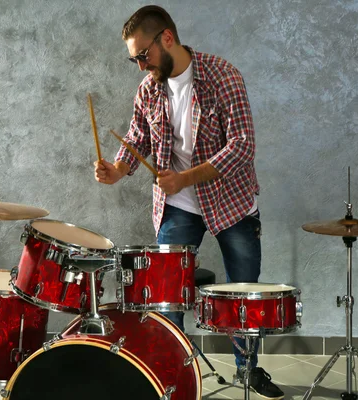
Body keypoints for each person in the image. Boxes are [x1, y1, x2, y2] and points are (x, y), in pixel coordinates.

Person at [94, 5, 284, 400]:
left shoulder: (223, 76)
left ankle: (247, 371)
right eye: (134, 59)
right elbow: (138, 138)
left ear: (167, 38)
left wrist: (187, 176)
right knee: (166, 296)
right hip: (177, 204)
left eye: (142, 55)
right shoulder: (149, 88)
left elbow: (242, 147)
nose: (139, 65)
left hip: (231, 202)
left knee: (242, 293)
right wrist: (117, 169)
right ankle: (173, 376)